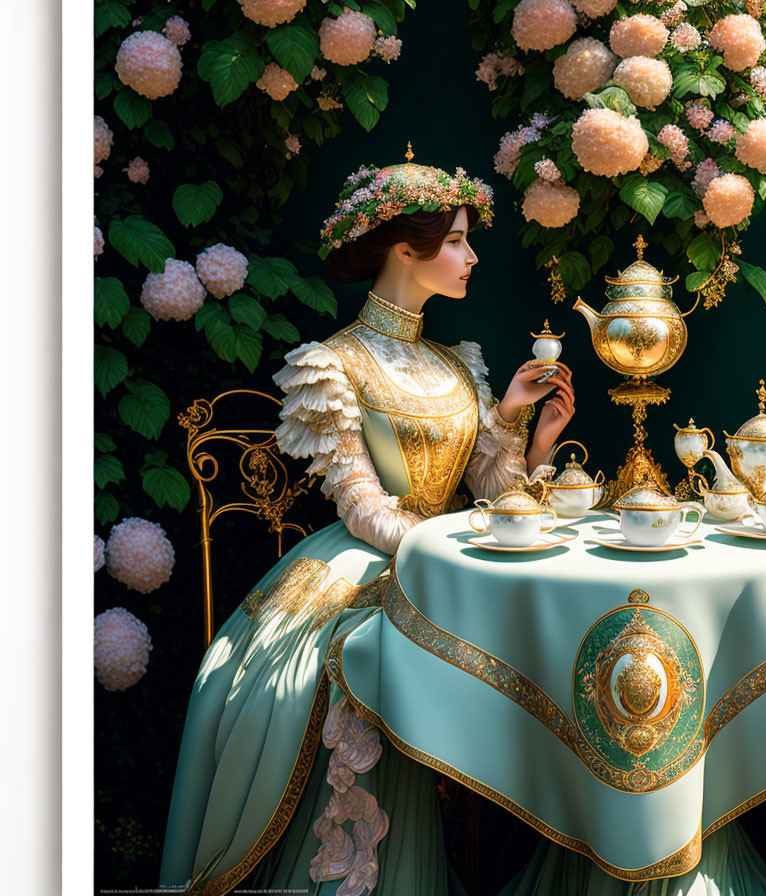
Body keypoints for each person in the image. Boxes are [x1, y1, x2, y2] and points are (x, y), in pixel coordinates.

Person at [159, 153, 575, 895]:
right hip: (366, 562)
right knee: (356, 666)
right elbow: (363, 508)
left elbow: (492, 492)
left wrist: (522, 426)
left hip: (449, 558)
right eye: (455, 240)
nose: (472, 255)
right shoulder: (334, 364)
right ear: (402, 249)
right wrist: (448, 548)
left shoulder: (457, 365)